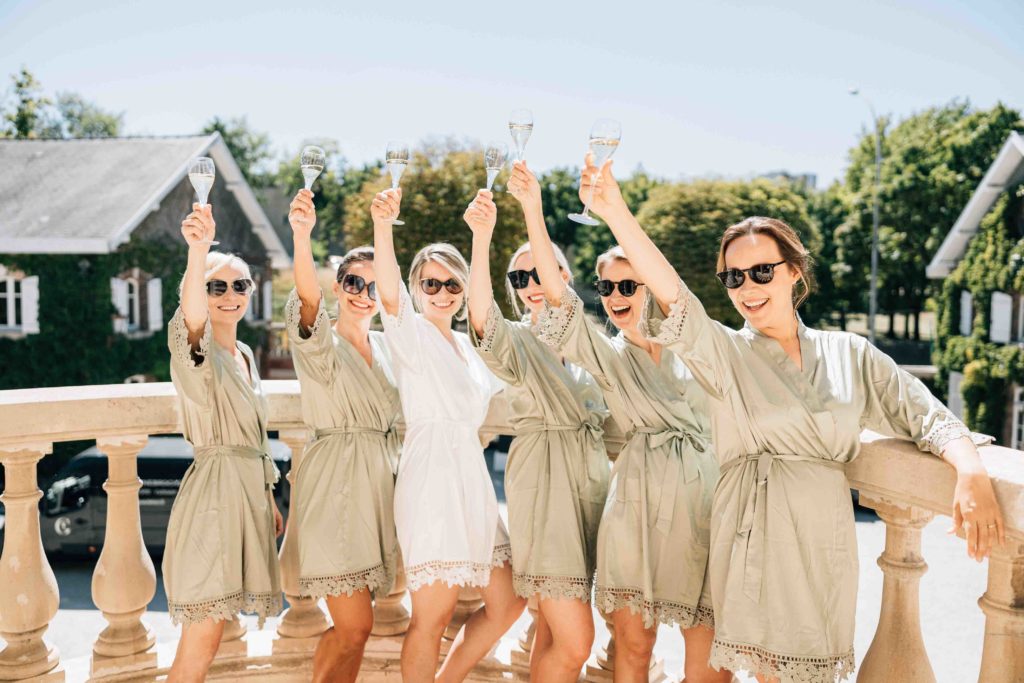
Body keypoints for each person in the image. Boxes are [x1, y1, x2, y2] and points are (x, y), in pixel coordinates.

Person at [575, 155, 1005, 683]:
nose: (747, 287)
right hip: (749, 534)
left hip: (823, 539)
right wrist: (615, 210)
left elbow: (920, 410)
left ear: (794, 272)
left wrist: (971, 469)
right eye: (733, 276)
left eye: (761, 271)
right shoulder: (725, 353)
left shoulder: (851, 352)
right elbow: (672, 295)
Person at [513, 162, 728, 683]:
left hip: (703, 507)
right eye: (607, 289)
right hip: (635, 508)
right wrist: (533, 210)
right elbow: (561, 302)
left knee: (711, 663)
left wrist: (614, 212)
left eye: (628, 285)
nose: (616, 298)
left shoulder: (698, 344)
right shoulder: (607, 357)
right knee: (632, 648)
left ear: (649, 286)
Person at [371, 189, 526, 682]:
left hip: (472, 484)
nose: (442, 292)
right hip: (431, 482)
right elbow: (388, 290)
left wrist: (483, 239)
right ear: (417, 287)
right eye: (431, 283)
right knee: (431, 618)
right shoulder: (408, 333)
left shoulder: (469, 345)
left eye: (452, 284)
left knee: (509, 601)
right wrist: (383, 225)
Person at [464, 189, 610, 682]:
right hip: (544, 484)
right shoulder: (518, 342)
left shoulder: (590, 343)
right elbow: (481, 318)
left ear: (563, 276)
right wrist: (481, 239)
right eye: (518, 278)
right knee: (577, 641)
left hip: (589, 485)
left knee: (550, 629)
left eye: (539, 273)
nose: (530, 284)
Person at [283, 189, 401, 683]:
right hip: (334, 488)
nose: (363, 294)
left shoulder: (390, 349)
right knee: (356, 625)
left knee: (357, 628)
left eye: (375, 287)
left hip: (377, 496)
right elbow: (306, 296)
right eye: (354, 282)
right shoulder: (319, 339)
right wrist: (302, 236)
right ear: (338, 286)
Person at [164, 203, 283, 682]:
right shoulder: (198, 348)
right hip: (212, 498)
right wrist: (198, 252)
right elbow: (192, 319)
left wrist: (268, 497)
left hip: (247, 495)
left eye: (240, 285)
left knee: (218, 634)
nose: (229, 295)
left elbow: (255, 439)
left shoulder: (247, 355)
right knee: (204, 634)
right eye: (217, 286)